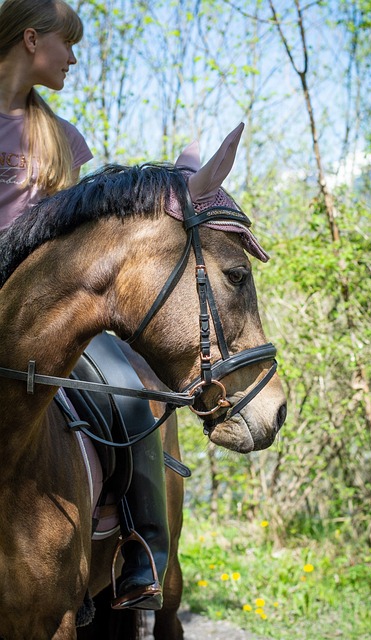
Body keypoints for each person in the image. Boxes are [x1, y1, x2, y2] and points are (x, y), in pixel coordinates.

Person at [0, 0, 169, 612]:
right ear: (29, 38)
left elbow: (77, 243)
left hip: (56, 311)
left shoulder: (63, 140)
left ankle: (143, 547)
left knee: (127, 387)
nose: (73, 56)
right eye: (65, 43)